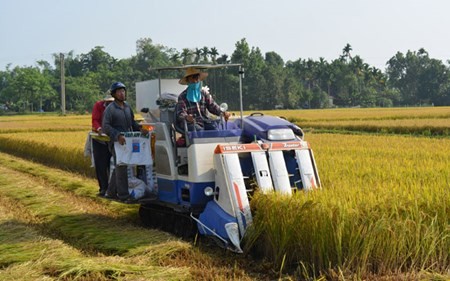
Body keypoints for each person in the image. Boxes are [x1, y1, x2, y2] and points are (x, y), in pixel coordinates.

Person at [102, 82, 144, 202]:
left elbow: (132, 123)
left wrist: (141, 129)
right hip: (116, 142)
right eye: (119, 91)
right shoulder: (110, 109)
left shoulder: (127, 107)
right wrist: (117, 135)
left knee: (120, 166)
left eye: (123, 91)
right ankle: (123, 195)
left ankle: (110, 192)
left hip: (127, 142)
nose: (122, 93)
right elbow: (105, 126)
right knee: (121, 167)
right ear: (114, 94)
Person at [91, 94, 114, 196]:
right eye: (108, 102)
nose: (110, 104)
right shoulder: (98, 106)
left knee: (113, 164)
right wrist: (99, 128)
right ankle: (103, 188)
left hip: (113, 138)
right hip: (100, 139)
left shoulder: (119, 107)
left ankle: (113, 188)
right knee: (101, 164)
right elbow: (95, 119)